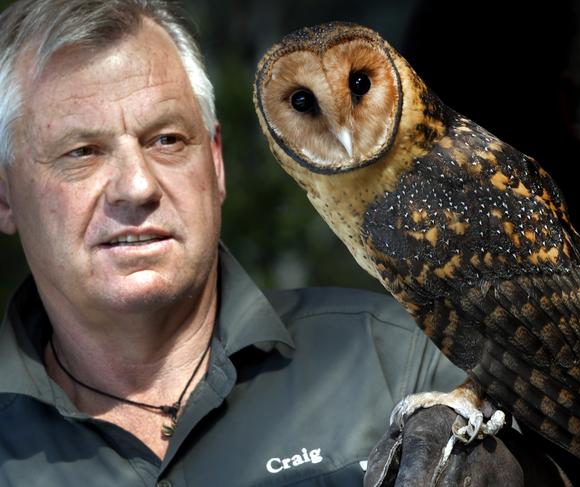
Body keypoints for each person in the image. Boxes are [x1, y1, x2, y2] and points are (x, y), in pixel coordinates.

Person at [0, 1, 470, 485]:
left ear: (216, 163)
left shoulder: (399, 362)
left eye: (166, 140)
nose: (137, 187)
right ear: (4, 196)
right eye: (82, 152)